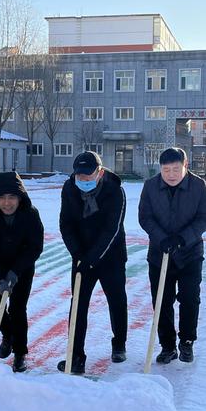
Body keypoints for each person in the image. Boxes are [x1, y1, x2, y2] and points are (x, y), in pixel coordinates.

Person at [138, 147, 206, 364]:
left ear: (185, 166)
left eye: (175, 169)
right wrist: (162, 239)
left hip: (189, 254)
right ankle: (168, 346)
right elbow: (145, 217)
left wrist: (181, 239)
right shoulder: (150, 186)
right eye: (166, 169)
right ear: (160, 168)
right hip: (159, 254)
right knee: (162, 300)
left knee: (190, 298)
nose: (171, 174)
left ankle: (187, 342)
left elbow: (204, 218)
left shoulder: (198, 186)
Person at [58, 151, 128, 374]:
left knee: (116, 300)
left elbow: (112, 230)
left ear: (100, 172)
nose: (84, 181)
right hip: (81, 255)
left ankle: (119, 344)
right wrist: (78, 254)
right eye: (80, 177)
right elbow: (66, 224)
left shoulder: (115, 191)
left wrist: (92, 258)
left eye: (88, 177)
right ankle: (76, 356)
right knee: (78, 304)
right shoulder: (69, 189)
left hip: (111, 255)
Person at [0, 172, 44, 373]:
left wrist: (15, 272)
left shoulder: (30, 214)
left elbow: (35, 246)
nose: (7, 203)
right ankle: (9, 335)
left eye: (12, 197)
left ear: (20, 197)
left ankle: (20, 353)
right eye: (2, 198)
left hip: (21, 268)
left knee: (17, 310)